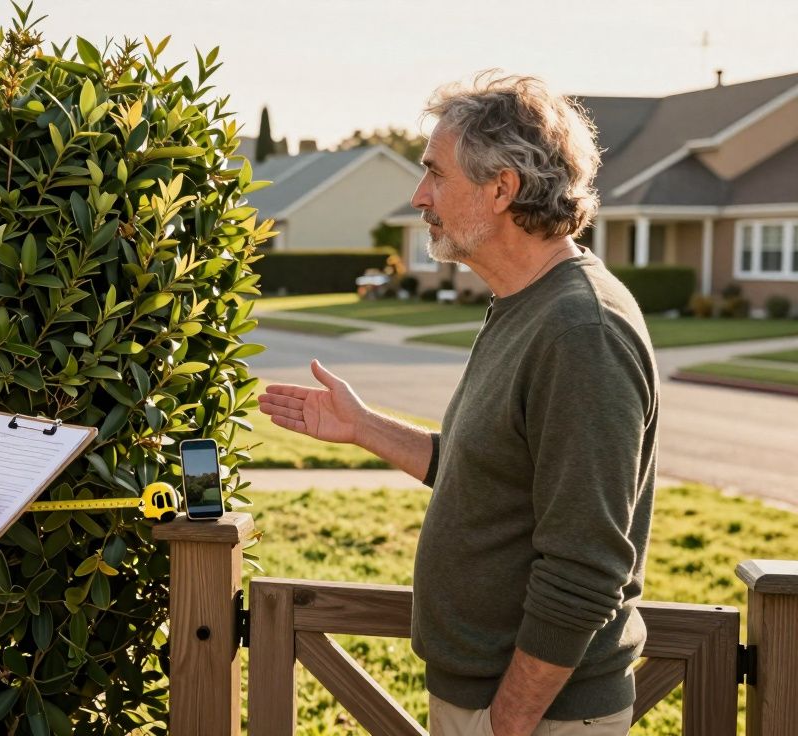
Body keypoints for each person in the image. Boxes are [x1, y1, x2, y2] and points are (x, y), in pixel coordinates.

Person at [258, 74, 657, 736]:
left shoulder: (582, 330)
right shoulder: (524, 304)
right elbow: (496, 475)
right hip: (493, 701)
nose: (419, 197)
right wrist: (364, 428)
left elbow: (586, 566)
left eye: (435, 175)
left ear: (502, 188)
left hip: (536, 715)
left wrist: (506, 721)